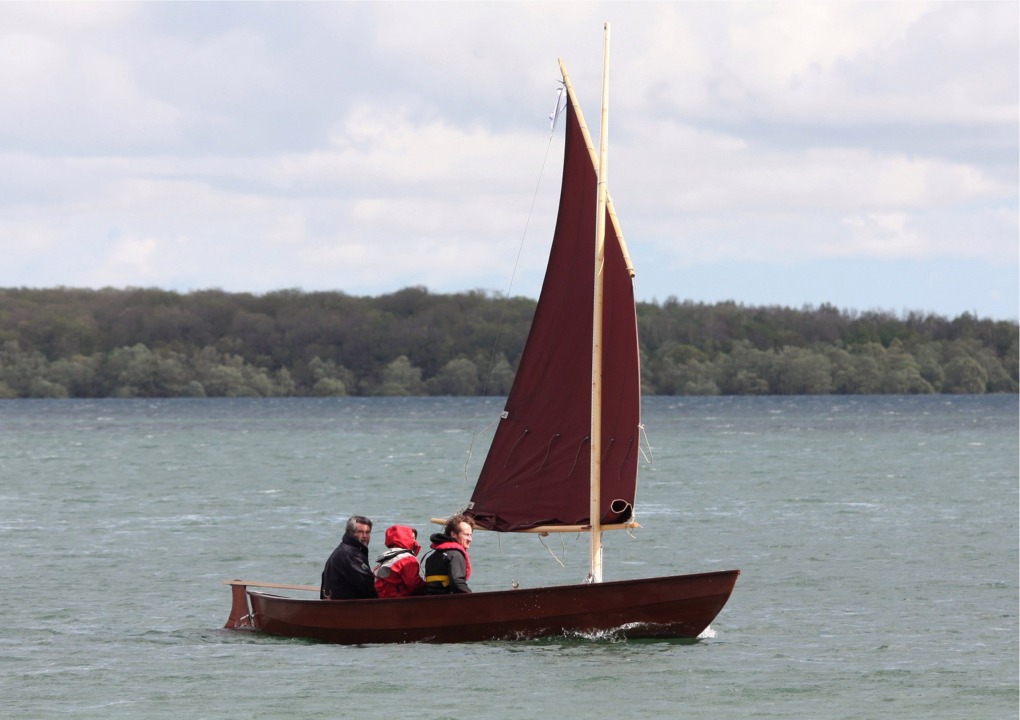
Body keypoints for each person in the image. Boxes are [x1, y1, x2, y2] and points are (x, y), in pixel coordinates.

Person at [320, 515, 377, 600]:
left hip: (335, 605)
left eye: (367, 532)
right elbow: (366, 584)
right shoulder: (350, 554)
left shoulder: (345, 549)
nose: (365, 536)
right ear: (350, 532)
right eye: (360, 532)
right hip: (344, 608)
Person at [423, 514, 474, 594]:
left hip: (431, 601)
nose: (470, 539)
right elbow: (457, 583)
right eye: (466, 535)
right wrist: (473, 599)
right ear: (453, 534)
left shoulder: (432, 557)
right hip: (447, 602)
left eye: (471, 535)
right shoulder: (455, 555)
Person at [373, 525, 425, 598]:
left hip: (383, 601)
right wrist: (427, 587)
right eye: (412, 538)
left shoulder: (385, 558)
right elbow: (414, 584)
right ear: (405, 538)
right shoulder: (407, 558)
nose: (415, 541)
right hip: (400, 602)